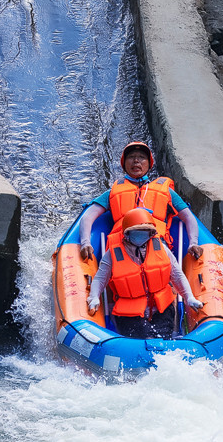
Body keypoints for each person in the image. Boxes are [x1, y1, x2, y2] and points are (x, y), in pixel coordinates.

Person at [81, 141, 203, 335]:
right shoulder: (114, 192)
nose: (136, 161)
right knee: (123, 282)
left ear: (149, 163)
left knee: (164, 278)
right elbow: (88, 216)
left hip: (156, 247)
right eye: (131, 157)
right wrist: (86, 243)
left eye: (141, 158)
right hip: (123, 248)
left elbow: (188, 216)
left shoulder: (165, 191)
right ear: (123, 163)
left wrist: (194, 243)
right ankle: (114, 320)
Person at [87, 207, 203, 339]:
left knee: (162, 338)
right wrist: (94, 297)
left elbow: (177, 275)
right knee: (145, 337)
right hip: (129, 313)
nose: (142, 235)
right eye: (137, 231)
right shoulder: (113, 254)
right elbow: (100, 279)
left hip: (161, 308)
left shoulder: (161, 249)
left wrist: (189, 297)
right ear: (127, 234)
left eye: (146, 232)